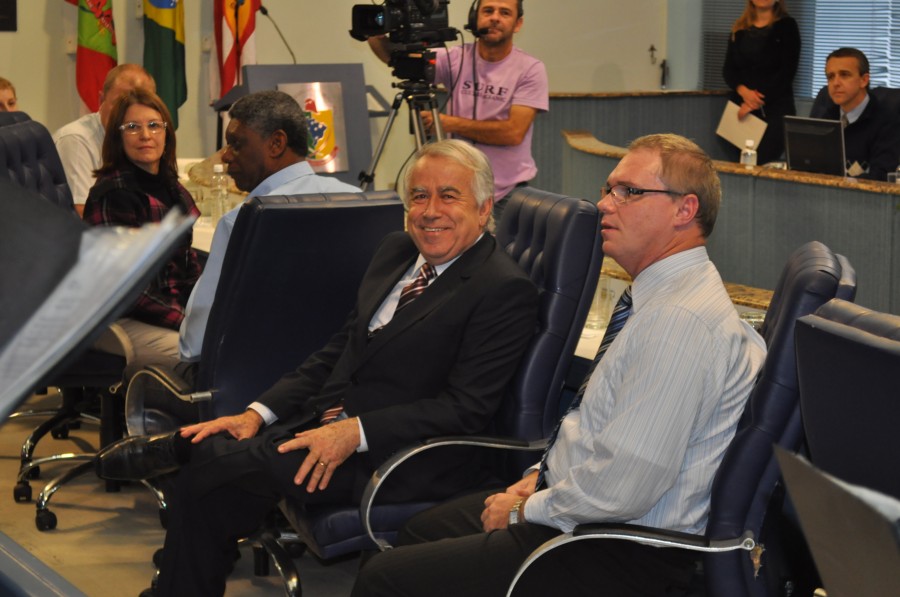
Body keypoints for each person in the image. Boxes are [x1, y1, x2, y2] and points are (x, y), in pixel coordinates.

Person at [95, 139, 540, 597]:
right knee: (217, 474)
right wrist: (258, 413)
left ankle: (174, 464)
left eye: (449, 196)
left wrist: (353, 433)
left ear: (484, 209)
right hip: (323, 422)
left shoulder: (501, 289)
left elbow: (464, 408)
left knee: (212, 471)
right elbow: (338, 351)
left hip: (399, 457)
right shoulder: (396, 251)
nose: (429, 211)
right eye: (419, 196)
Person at [352, 133, 768, 597]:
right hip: (589, 513)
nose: (605, 204)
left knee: (382, 579)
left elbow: (624, 487)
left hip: (617, 550)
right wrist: (539, 480)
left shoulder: (677, 322)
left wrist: (526, 509)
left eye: (628, 192)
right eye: (609, 189)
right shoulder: (664, 296)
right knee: (422, 530)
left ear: (684, 210)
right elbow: (598, 430)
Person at [178, 90, 362, 369]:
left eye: (236, 144)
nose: (225, 156)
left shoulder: (244, 220)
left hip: (255, 379)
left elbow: (196, 342)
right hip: (339, 374)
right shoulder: (358, 200)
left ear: (276, 143)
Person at [368, 0, 548, 222]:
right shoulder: (456, 57)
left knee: (499, 246)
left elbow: (513, 133)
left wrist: (448, 123)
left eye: (504, 13)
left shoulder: (530, 69)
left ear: (517, 23)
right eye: (488, 11)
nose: (494, 18)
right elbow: (399, 61)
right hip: (457, 189)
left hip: (507, 193)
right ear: (475, 17)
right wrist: (375, 34)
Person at [83, 88, 202, 377]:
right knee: (207, 357)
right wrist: (187, 321)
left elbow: (186, 262)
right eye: (133, 127)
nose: (146, 135)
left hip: (165, 308)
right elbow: (127, 288)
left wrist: (205, 308)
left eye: (154, 125)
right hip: (120, 318)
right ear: (118, 137)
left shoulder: (170, 186)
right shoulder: (114, 195)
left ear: (166, 133)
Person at [53, 64, 156, 217]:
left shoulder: (148, 137)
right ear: (101, 100)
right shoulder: (76, 140)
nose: (130, 113)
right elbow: (81, 214)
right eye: (120, 103)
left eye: (141, 104)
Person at [723, 0, 800, 164]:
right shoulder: (739, 28)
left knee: (763, 163)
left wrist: (754, 102)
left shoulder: (787, 26)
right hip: (741, 109)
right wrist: (744, 92)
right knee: (740, 166)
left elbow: (786, 73)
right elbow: (728, 70)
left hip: (774, 109)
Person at [821, 47, 900, 181]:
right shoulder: (826, 117)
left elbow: (882, 177)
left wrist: (842, 182)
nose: (835, 83)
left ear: (864, 80)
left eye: (844, 75)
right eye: (831, 77)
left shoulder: (887, 121)